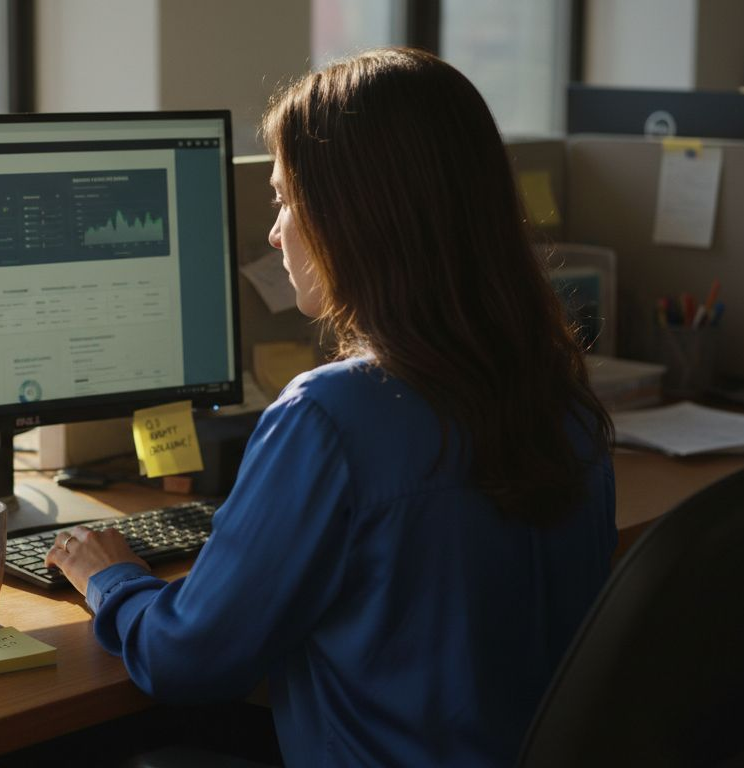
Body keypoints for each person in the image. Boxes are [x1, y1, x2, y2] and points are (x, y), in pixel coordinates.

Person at [46, 47, 615, 767]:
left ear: (359, 216)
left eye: (287, 199)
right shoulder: (558, 391)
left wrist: (111, 577)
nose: (277, 230)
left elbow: (188, 659)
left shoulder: (333, 416)